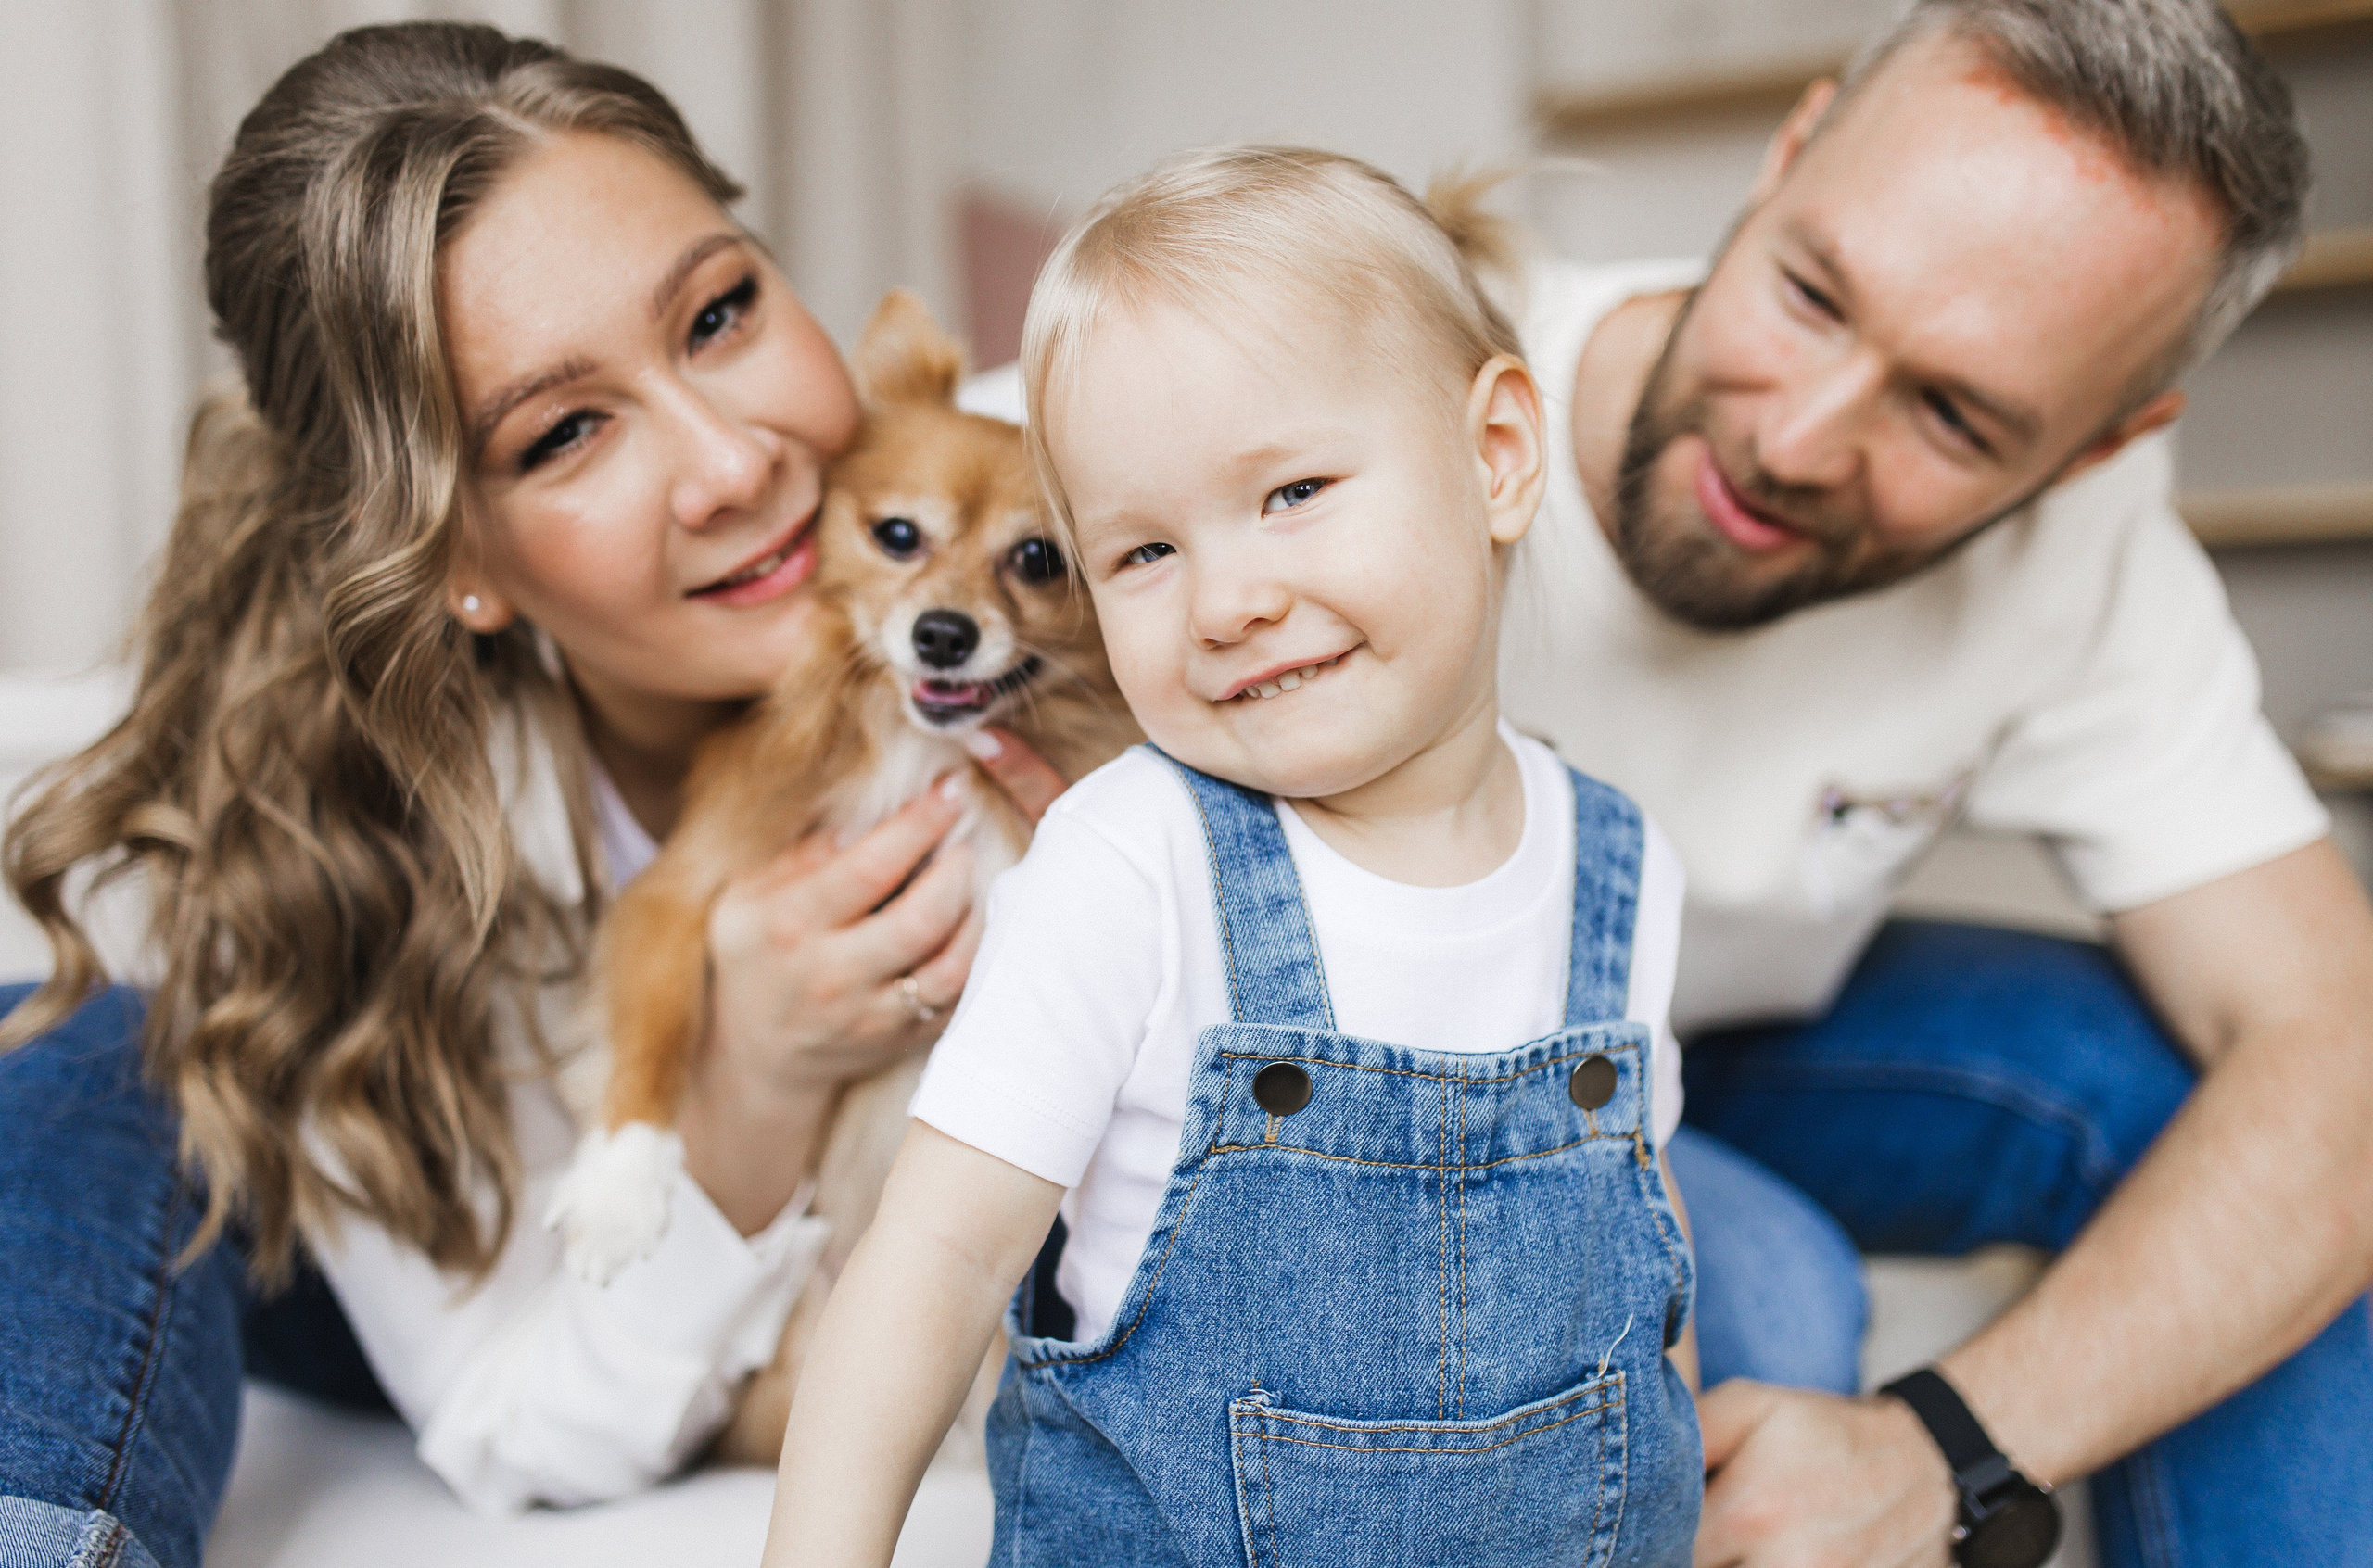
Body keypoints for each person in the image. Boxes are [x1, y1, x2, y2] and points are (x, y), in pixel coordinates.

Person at [0, 22, 1071, 1568]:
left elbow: (1394, 365)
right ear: (457, 558)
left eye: (720, 311)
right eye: (565, 431)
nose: (733, 462)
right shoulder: (325, 861)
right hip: (341, 1235)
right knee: (87, 1055)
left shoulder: (1014, 486)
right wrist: (750, 1080)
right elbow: (512, 1422)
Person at [1496, 0, 2373, 1562]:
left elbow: (2334, 1050)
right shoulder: (1386, 377)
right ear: (1786, 155)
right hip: (1392, 1069)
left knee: (2242, 1123)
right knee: (1765, 1287)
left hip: (1734, 1041)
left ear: (2102, 445)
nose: (1800, 440)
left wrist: (1946, 1445)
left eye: (1956, 414)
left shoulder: (2086, 552)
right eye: (1812, 294)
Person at [763, 147, 1703, 1568]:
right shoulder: (1127, 865)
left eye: (1293, 492)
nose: (1228, 601)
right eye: (1139, 554)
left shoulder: (1616, 866)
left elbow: (1644, 1261)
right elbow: (933, 1265)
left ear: (1497, 457)